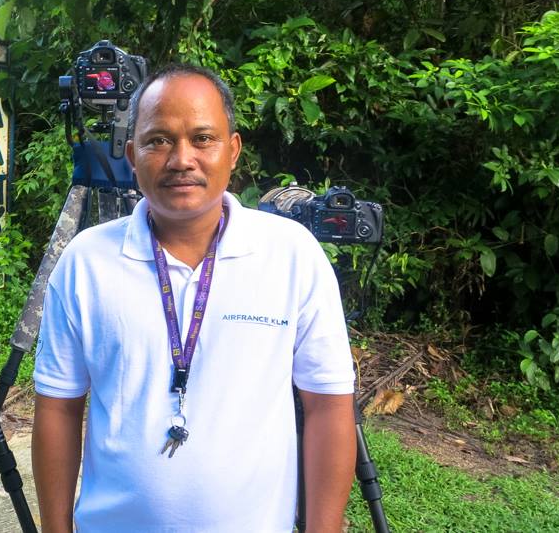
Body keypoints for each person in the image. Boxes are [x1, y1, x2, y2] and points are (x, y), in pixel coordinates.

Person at [32, 63, 357, 532]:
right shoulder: (86, 262)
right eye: (158, 140)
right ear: (132, 154)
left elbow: (328, 404)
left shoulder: (291, 256)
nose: (181, 158)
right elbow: (59, 407)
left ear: (234, 150)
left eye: (203, 138)